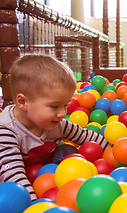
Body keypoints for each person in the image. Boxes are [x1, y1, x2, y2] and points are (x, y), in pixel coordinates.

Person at [0, 54, 112, 201]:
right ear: (23, 102)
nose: (62, 113)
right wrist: (34, 203)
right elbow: (13, 175)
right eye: (54, 106)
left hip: (43, 171)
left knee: (69, 151)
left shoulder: (57, 123)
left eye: (65, 105)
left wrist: (113, 152)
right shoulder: (6, 132)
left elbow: (86, 136)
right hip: (14, 173)